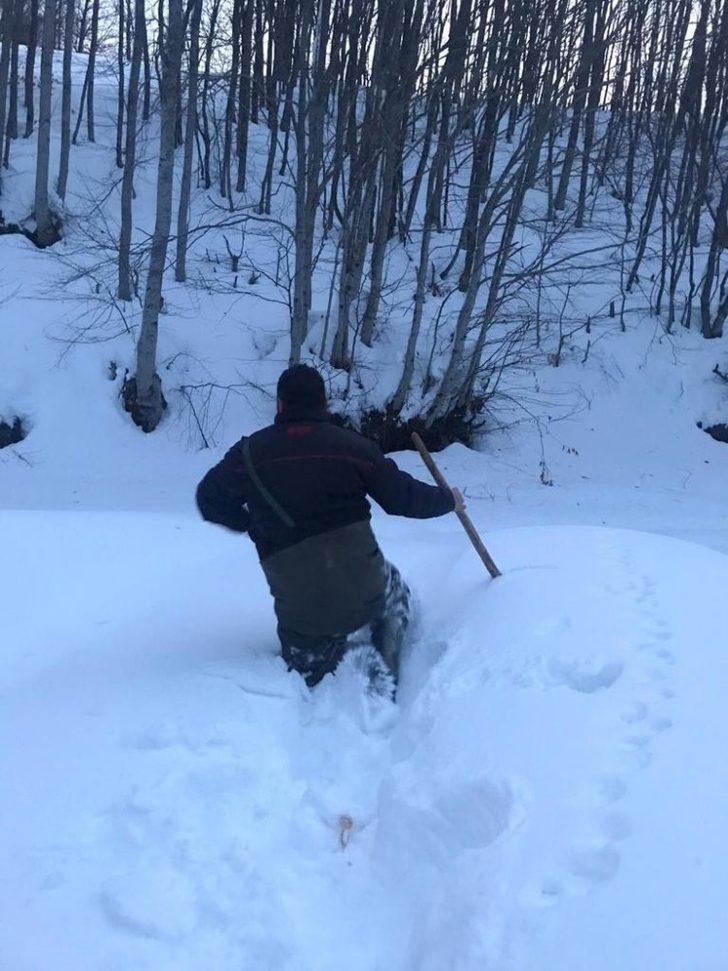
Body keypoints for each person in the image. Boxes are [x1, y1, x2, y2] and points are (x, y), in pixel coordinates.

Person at [196, 365, 463, 689]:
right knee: (391, 585)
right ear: (324, 403)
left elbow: (208, 498)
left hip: (301, 611)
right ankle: (385, 642)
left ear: (280, 404)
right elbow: (404, 499)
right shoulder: (354, 448)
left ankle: (314, 658)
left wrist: (251, 524)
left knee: (308, 648)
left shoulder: (249, 454)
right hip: (365, 590)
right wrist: (448, 500)